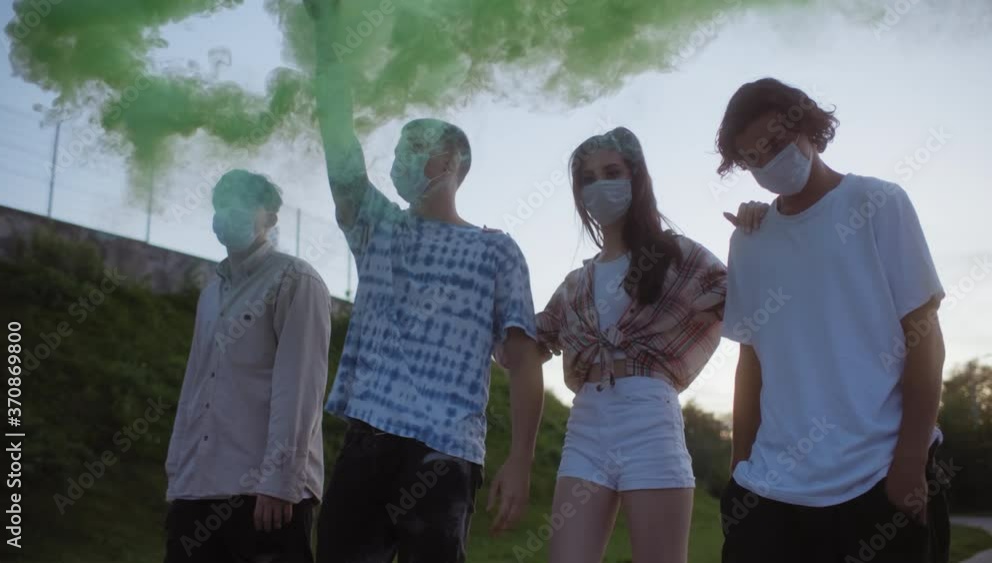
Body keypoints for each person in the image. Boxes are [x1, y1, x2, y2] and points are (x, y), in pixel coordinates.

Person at [305, 2, 546, 561]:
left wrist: (521, 460)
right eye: (398, 149)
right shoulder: (378, 228)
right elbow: (339, 148)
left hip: (445, 454)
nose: (401, 159)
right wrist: (327, 42)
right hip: (367, 441)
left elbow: (523, 360)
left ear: (453, 162)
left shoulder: (496, 250)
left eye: (417, 148)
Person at [716, 77, 950, 563]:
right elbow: (750, 362)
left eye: (776, 144)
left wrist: (909, 463)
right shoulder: (749, 241)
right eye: (753, 158)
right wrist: (740, 471)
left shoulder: (878, 203)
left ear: (808, 127)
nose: (767, 162)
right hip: (770, 491)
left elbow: (924, 338)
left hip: (879, 477)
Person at [530, 127, 765, 563]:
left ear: (635, 179)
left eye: (611, 172)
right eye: (587, 178)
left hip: (649, 420)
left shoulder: (678, 255)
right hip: (585, 427)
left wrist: (761, 231)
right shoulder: (576, 284)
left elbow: (752, 299)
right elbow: (527, 341)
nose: (599, 185)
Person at [163, 169, 332, 563]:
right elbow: (195, 385)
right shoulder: (211, 292)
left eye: (243, 202)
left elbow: (299, 389)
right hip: (196, 488)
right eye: (223, 202)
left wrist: (280, 481)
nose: (229, 211)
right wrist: (177, 476)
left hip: (263, 495)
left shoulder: (295, 280)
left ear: (270, 218)